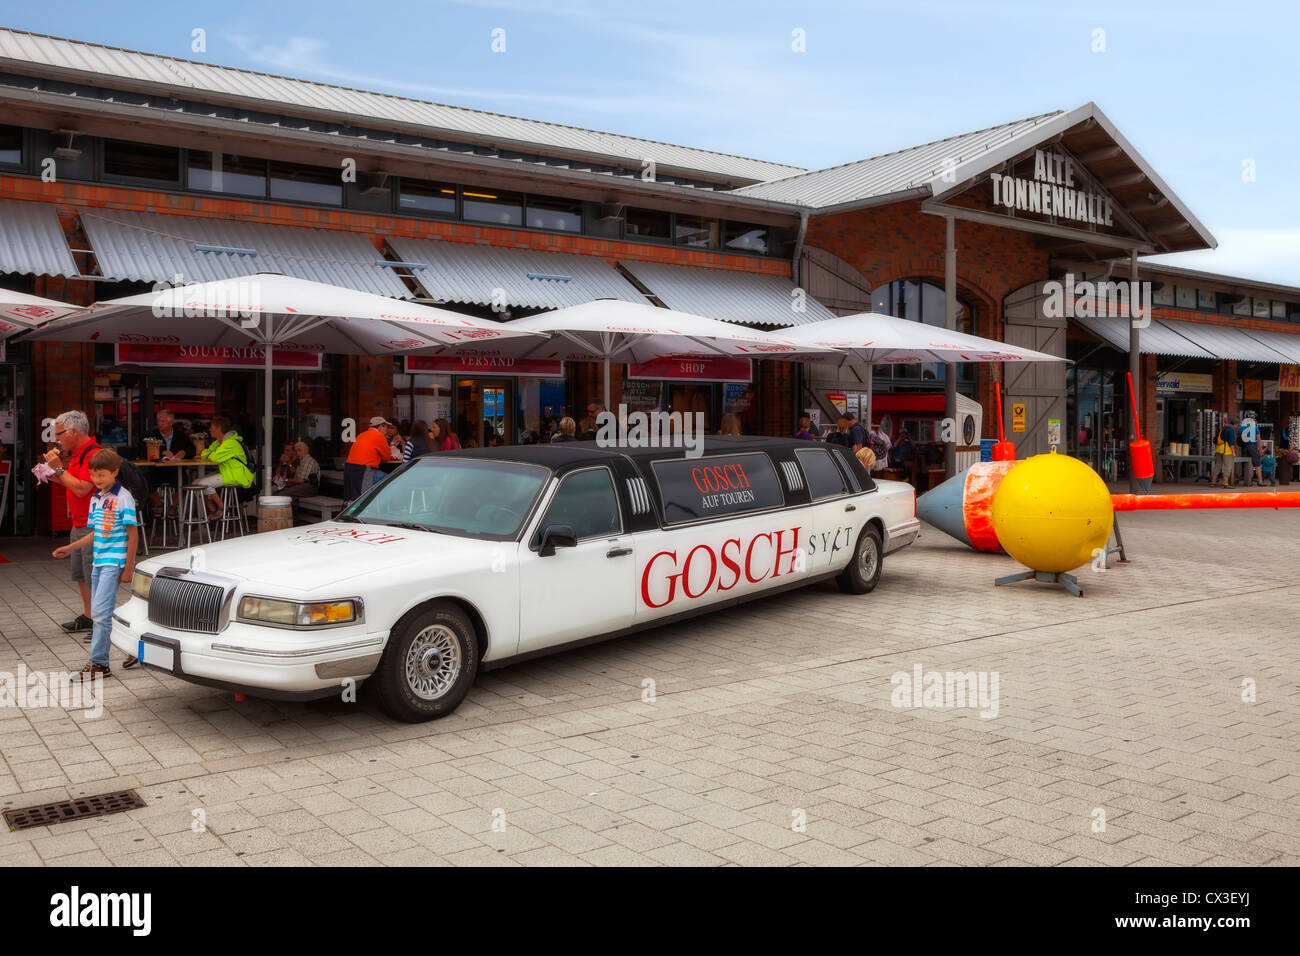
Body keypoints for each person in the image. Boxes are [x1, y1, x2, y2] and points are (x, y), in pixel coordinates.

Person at [51, 447, 138, 681]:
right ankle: (136, 649)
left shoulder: (124, 498)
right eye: (93, 474)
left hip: (114, 561)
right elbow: (95, 534)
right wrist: (70, 548)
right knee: (104, 611)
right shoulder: (96, 498)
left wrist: (128, 567)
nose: (97, 479)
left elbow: (133, 533)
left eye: (101, 474)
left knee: (100, 613)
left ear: (114, 472)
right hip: (99, 561)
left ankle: (99, 664)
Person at [43, 410, 100, 634]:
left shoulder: (93, 454)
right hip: (79, 521)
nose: (57, 439)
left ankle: (100, 622)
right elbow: (73, 483)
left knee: (93, 573)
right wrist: (52, 474)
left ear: (74, 431)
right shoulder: (77, 454)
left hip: (93, 523)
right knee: (81, 574)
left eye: (59, 434)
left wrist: (58, 468)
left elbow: (82, 488)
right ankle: (88, 616)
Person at [196, 416, 255, 517]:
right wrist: (207, 454)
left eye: (211, 427)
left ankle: (222, 507)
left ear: (218, 429)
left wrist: (206, 453)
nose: (209, 429)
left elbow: (214, 457)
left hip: (236, 475)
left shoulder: (231, 443)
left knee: (203, 483)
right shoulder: (218, 443)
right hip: (227, 472)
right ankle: (212, 509)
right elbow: (208, 454)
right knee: (196, 483)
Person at [144, 408, 196, 509]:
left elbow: (192, 449)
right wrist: (161, 453)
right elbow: (142, 450)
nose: (159, 423)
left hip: (175, 470)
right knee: (144, 483)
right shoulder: (151, 435)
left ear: (171, 422)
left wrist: (184, 453)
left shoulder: (181, 435)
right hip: (157, 471)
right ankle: (159, 505)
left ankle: (173, 507)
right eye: (158, 421)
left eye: (163, 421)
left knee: (183, 483)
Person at [344, 415, 397, 500]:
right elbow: (386, 457)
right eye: (386, 428)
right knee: (391, 481)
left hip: (349, 470)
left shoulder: (361, 435)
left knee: (354, 499)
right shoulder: (379, 436)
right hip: (364, 471)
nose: (387, 431)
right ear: (380, 427)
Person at [1210, 416, 1237, 488]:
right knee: (1227, 466)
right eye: (1237, 425)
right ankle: (1225, 483)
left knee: (1218, 465)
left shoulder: (1224, 427)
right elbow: (1231, 442)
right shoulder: (1231, 429)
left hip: (1219, 449)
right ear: (1235, 424)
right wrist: (1233, 452)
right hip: (1226, 450)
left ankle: (1213, 482)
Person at [1239, 415, 1263, 486]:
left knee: (1245, 463)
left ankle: (1247, 481)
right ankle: (1260, 481)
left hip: (1244, 447)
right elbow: (1258, 439)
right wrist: (1260, 449)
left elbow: (1239, 439)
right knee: (1257, 464)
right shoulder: (1255, 428)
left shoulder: (1241, 428)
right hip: (1252, 446)